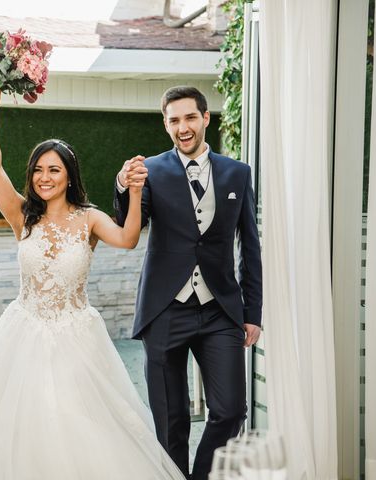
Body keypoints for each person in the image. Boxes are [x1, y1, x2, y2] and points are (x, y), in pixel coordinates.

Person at [0, 86, 185, 480]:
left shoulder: (90, 219)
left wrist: (135, 192)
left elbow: (129, 239)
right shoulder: (21, 215)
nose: (43, 177)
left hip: (77, 338)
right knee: (16, 425)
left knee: (78, 424)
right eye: (37, 169)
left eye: (54, 170)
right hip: (21, 332)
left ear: (69, 176)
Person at [113, 85, 262, 480]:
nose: (183, 127)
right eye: (174, 120)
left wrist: (253, 312)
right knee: (170, 421)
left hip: (220, 310)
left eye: (190, 117)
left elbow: (250, 246)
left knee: (231, 409)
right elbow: (130, 224)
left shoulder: (237, 172)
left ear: (205, 118)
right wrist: (123, 186)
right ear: (166, 124)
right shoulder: (152, 170)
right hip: (165, 309)